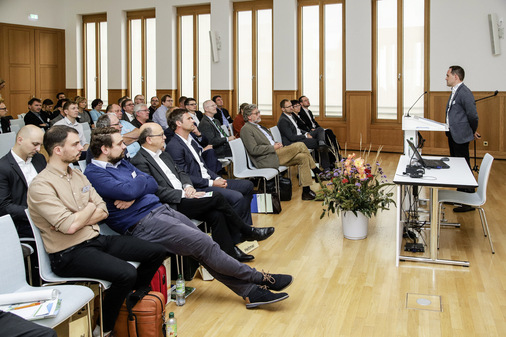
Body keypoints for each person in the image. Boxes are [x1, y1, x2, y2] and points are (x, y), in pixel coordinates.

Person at [84, 127, 292, 309]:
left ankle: (251, 292)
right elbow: (133, 188)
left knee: (205, 249)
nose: (125, 146)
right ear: (104, 149)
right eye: (119, 143)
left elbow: (150, 183)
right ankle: (260, 278)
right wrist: (135, 189)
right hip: (142, 224)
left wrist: (133, 189)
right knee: (205, 244)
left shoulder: (121, 163)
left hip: (160, 210)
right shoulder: (95, 173)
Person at [27, 126, 166, 336]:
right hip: (68, 253)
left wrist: (81, 214)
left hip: (94, 239)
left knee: (156, 251)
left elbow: (103, 211)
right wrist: (89, 209)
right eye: (74, 144)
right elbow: (71, 225)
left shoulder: (77, 175)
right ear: (57, 150)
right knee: (126, 273)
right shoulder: (41, 185)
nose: (81, 148)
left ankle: (127, 303)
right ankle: (106, 327)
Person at [131, 123, 275, 261]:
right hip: (172, 203)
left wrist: (188, 186)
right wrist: (184, 194)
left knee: (216, 214)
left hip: (187, 194)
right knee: (217, 196)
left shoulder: (163, 154)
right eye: (161, 135)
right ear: (149, 139)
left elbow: (181, 173)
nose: (164, 137)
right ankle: (246, 231)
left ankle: (229, 253)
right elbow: (154, 190)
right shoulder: (139, 161)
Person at [167, 109, 255, 226]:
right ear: (178, 123)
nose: (193, 120)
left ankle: (245, 226)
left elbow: (203, 166)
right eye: (189, 118)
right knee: (237, 197)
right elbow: (184, 176)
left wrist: (217, 178)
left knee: (248, 186)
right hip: (199, 187)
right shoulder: (174, 146)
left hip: (209, 180)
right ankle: (238, 231)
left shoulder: (191, 142)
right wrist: (212, 183)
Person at [240, 104, 319, 200]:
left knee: (303, 157)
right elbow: (253, 150)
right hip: (266, 158)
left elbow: (266, 142)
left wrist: (276, 144)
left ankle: (306, 192)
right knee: (300, 145)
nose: (259, 114)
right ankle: (316, 171)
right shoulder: (246, 129)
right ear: (249, 117)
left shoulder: (258, 126)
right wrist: (273, 147)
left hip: (275, 154)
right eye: (256, 113)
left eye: (259, 112)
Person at [445, 65, 480, 212]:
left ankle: (468, 202)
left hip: (461, 135)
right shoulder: (455, 91)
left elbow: (473, 115)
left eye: (448, 75)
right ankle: (460, 197)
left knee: (464, 168)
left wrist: (472, 130)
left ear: (456, 77)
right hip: (453, 134)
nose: (445, 78)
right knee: (457, 167)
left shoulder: (464, 92)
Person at [0, 125, 46, 237]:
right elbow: (4, 206)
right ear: (20, 140)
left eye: (40, 145)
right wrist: (36, 213)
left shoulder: (39, 159)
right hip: (24, 222)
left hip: (47, 214)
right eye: (35, 144)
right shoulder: (3, 167)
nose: (38, 149)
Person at [277, 99, 330, 169]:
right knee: (318, 143)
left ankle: (321, 143)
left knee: (320, 130)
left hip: (301, 136)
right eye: (288, 107)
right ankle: (326, 168)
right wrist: (305, 136)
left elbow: (298, 129)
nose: (291, 108)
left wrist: (306, 133)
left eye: (291, 106)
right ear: (283, 109)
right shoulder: (283, 120)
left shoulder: (290, 116)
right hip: (295, 142)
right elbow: (291, 137)